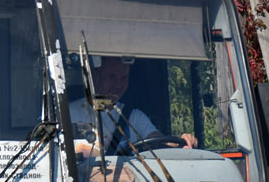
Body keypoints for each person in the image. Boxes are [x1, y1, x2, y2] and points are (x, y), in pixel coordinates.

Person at [69, 55, 197, 154]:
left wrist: (182, 141)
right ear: (97, 76)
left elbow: (158, 140)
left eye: (123, 78)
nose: (118, 84)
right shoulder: (70, 113)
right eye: (112, 77)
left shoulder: (133, 116)